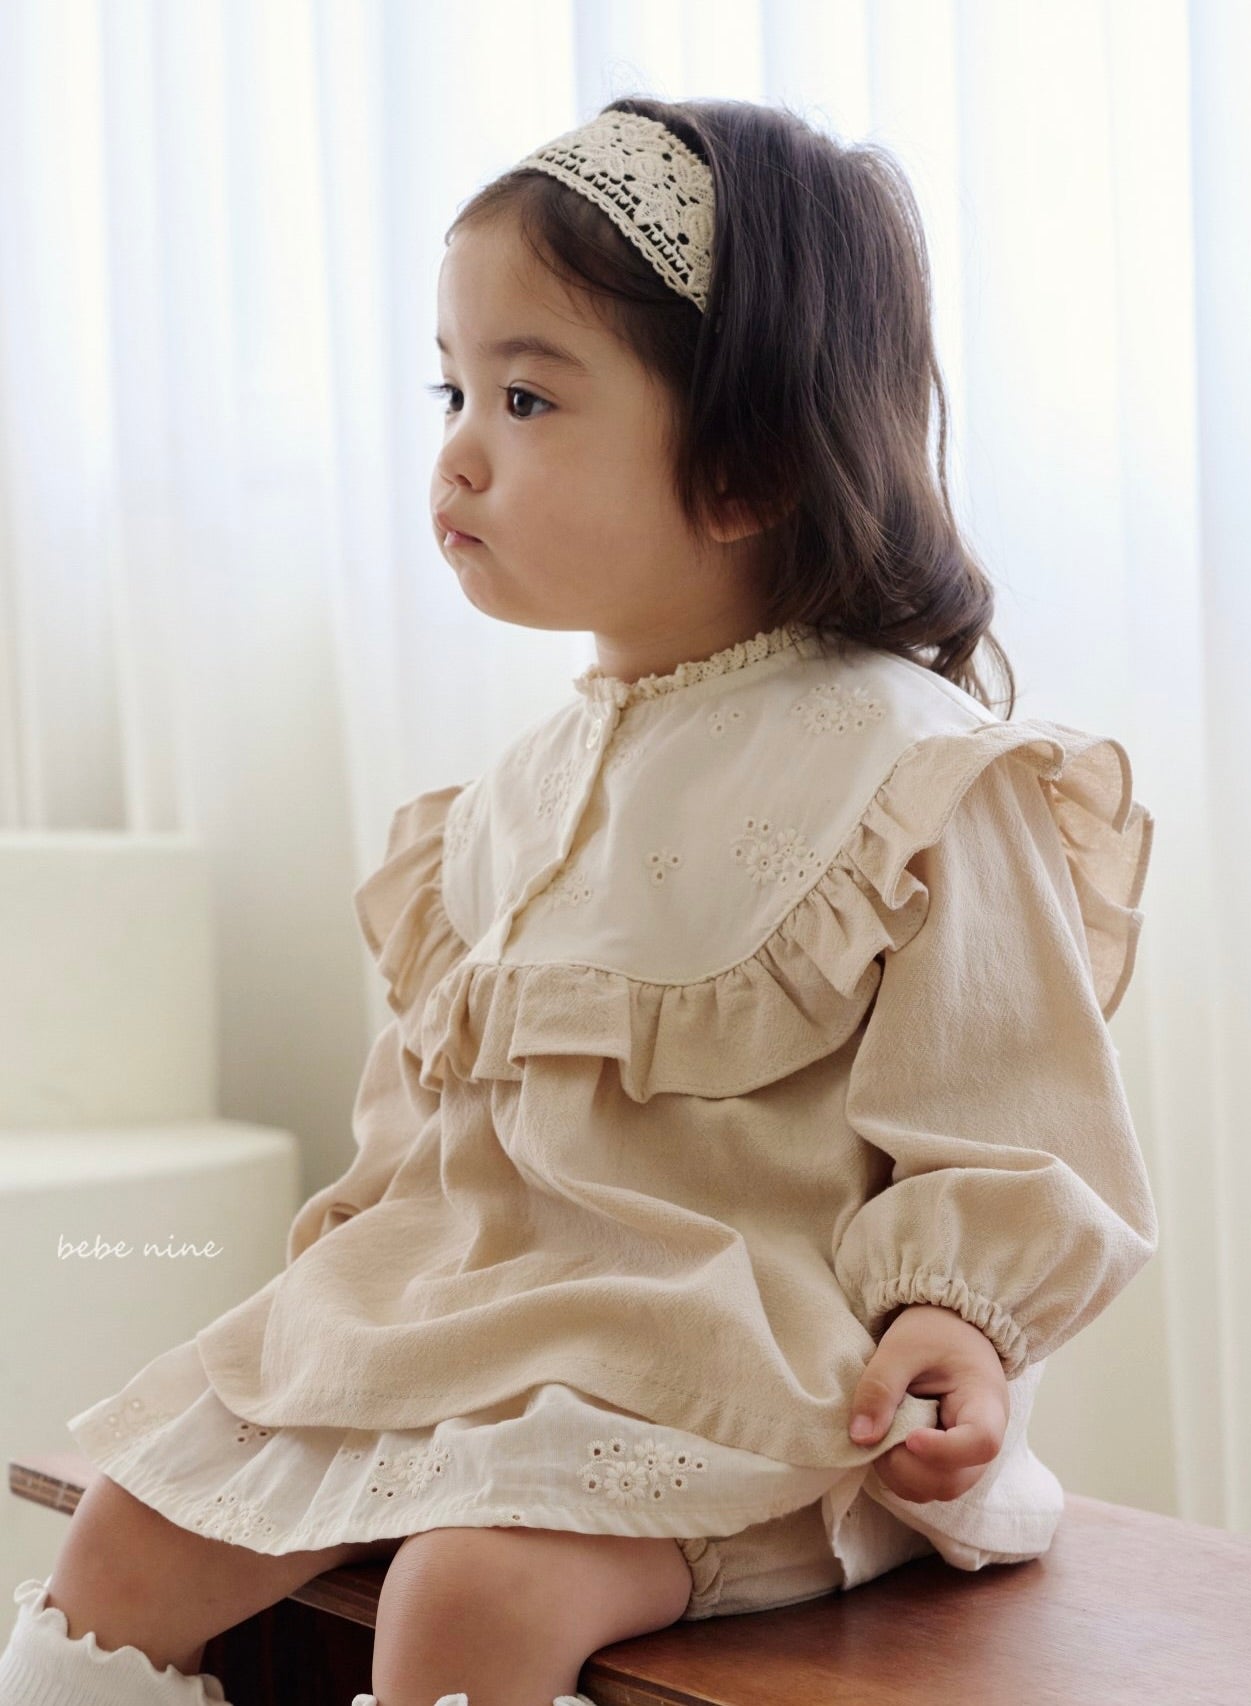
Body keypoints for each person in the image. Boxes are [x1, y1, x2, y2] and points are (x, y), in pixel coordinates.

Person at [0, 97, 1159, 1706]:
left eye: (527, 396)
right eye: (453, 388)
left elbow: (1007, 1107)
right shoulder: (505, 803)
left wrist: (954, 1318)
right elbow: (430, 1135)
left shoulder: (909, 771)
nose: (459, 450)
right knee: (122, 1542)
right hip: (473, 1337)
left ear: (746, 469)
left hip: (753, 1382)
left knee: (466, 1594)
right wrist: (342, 1290)